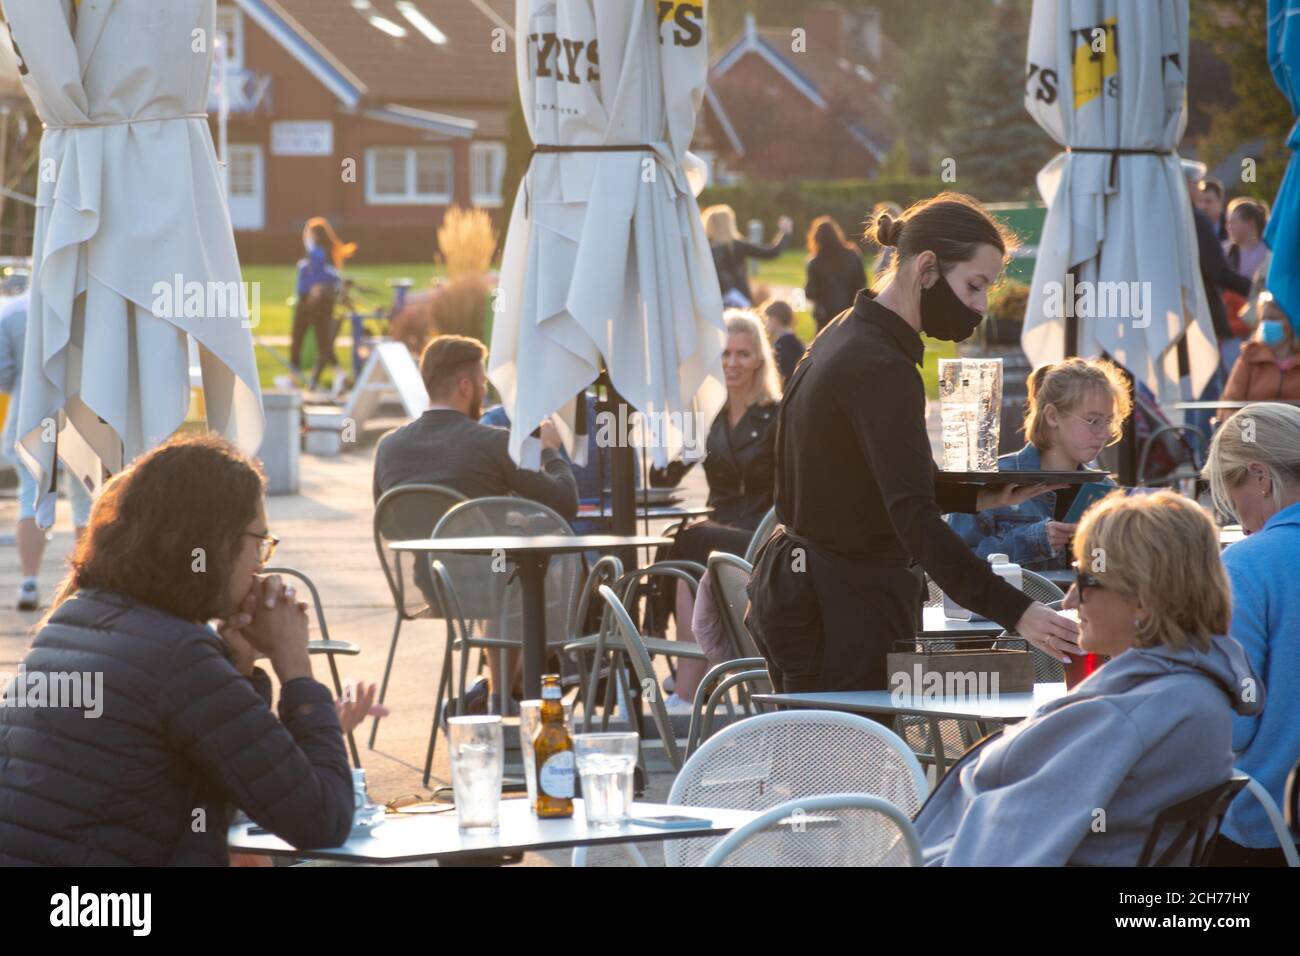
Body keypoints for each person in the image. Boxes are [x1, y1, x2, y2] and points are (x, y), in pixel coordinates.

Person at [745, 193, 1079, 694]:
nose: (980, 306)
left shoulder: (844, 331)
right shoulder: (882, 366)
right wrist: (1018, 612)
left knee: (812, 765)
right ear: (926, 268)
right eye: (974, 285)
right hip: (842, 611)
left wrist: (980, 495)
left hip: (804, 594)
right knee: (849, 767)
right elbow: (914, 521)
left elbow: (873, 479)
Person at [0, 435, 380, 866]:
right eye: (259, 540)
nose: (260, 563)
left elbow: (226, 782)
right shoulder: (177, 657)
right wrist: (296, 669)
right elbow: (322, 820)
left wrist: (235, 666)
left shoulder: (71, 619)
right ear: (215, 543)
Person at [914, 491, 1261, 866]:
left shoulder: (1127, 714)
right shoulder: (1198, 690)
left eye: (1085, 578)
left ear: (1142, 600)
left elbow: (1003, 853)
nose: (1069, 600)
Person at [373, 335, 578, 707]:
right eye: (482, 385)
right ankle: (508, 693)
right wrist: (551, 452)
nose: (484, 394)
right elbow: (564, 504)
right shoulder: (492, 442)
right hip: (487, 587)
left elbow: (388, 524)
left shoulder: (388, 446)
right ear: (465, 386)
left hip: (428, 587)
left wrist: (479, 521)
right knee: (524, 571)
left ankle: (499, 692)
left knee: (499, 565)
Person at [654, 310, 780, 706]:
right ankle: (689, 683)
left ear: (759, 360)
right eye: (724, 354)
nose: (731, 363)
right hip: (718, 531)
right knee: (677, 550)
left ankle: (684, 684)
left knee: (689, 540)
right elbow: (663, 478)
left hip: (762, 537)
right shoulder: (709, 417)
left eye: (743, 354)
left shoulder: (776, 415)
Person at [1203, 403, 1300, 865]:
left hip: (1265, 825)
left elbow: (1234, 724)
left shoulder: (1245, 568)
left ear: (1260, 476)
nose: (1238, 520)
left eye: (1230, 492)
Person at [946, 358, 1130, 571]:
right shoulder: (993, 479)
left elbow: (1109, 574)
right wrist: (1032, 541)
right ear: (1052, 416)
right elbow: (952, 563)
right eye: (1093, 421)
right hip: (1011, 605)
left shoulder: (1105, 489)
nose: (1105, 433)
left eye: (1109, 421)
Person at [0, 291, 93, 611]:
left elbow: (2, 372)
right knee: (87, 502)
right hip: (85, 414)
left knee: (31, 496)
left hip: (32, 415)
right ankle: (84, 585)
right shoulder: (91, 305)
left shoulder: (13, 312)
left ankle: (29, 581)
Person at [291, 217, 356, 389]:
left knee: (300, 338)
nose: (306, 235)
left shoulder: (318, 253)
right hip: (319, 303)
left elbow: (320, 272)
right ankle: (339, 374)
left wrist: (310, 250)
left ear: (315, 235)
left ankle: (293, 378)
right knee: (322, 341)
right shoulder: (324, 254)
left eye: (308, 232)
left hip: (312, 304)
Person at [703, 205, 792, 308]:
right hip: (740, 299)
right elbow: (771, 252)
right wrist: (785, 233)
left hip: (714, 300)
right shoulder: (738, 245)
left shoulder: (704, 248)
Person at [1221, 293, 1300, 408]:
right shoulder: (1249, 355)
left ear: (1292, 323)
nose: (1267, 324)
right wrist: (1243, 425)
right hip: (1253, 424)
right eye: (1264, 318)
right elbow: (1230, 400)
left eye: (1273, 318)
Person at [804, 215, 867, 333]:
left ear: (816, 238)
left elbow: (810, 293)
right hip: (850, 313)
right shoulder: (853, 255)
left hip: (825, 319)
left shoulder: (815, 262)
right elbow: (862, 283)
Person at [761, 298, 805, 384]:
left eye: (767, 319)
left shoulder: (783, 345)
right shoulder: (794, 342)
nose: (765, 324)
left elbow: (784, 376)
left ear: (775, 320)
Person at [1197, 176, 1228, 242]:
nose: (1203, 206)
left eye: (1208, 201)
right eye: (1200, 201)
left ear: (1220, 201)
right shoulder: (1194, 227)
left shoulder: (1230, 226)